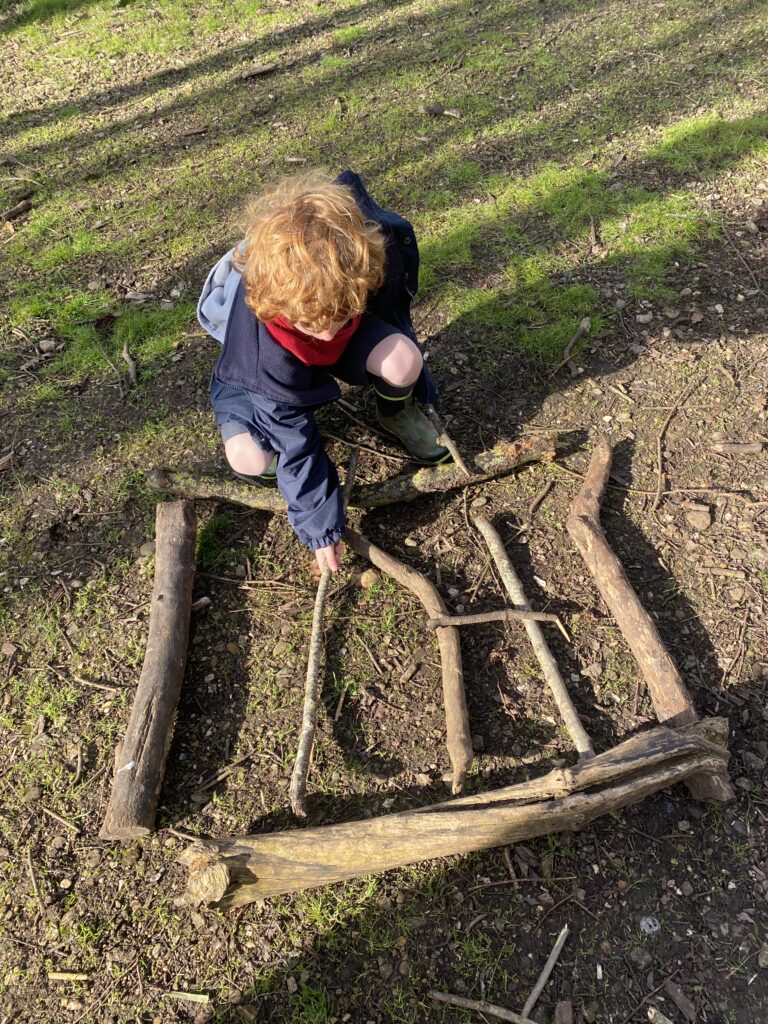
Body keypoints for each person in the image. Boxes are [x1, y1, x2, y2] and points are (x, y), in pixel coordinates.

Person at [197, 170, 449, 573]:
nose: (329, 330)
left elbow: (361, 308)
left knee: (403, 359)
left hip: (319, 348)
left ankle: (395, 412)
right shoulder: (261, 354)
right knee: (248, 457)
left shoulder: (346, 272)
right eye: (315, 323)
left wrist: (344, 322)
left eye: (342, 314)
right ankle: (279, 479)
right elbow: (297, 441)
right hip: (257, 380)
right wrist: (321, 526)